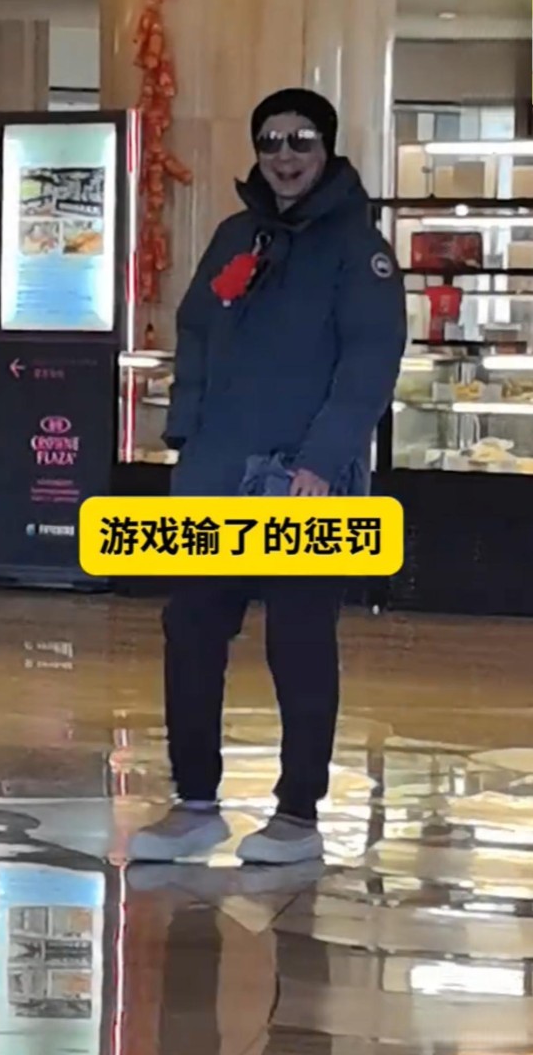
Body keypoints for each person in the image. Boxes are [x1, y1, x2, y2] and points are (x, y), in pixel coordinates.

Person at [130, 88, 406, 865]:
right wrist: (187, 433)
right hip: (218, 476)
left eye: (301, 140)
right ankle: (195, 803)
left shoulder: (360, 251)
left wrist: (322, 459)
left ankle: (297, 815)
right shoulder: (235, 235)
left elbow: (369, 364)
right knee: (191, 629)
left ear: (327, 149)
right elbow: (194, 330)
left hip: (307, 484)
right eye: (271, 141)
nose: (285, 156)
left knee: (299, 641)